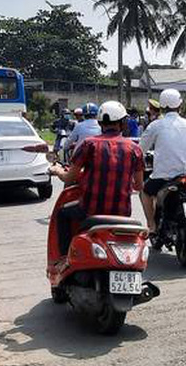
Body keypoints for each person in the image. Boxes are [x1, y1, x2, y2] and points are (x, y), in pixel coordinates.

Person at [48, 101, 145, 256]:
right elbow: (139, 186)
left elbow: (69, 178)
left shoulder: (89, 144)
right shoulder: (134, 148)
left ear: (100, 123)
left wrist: (57, 170)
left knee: (62, 215)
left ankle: (65, 257)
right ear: (123, 123)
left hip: (90, 211)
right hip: (122, 214)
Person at [140, 89, 186, 235]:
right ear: (180, 105)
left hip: (164, 174)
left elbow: (139, 150)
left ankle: (151, 225)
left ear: (161, 106)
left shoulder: (155, 125)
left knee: (145, 192)